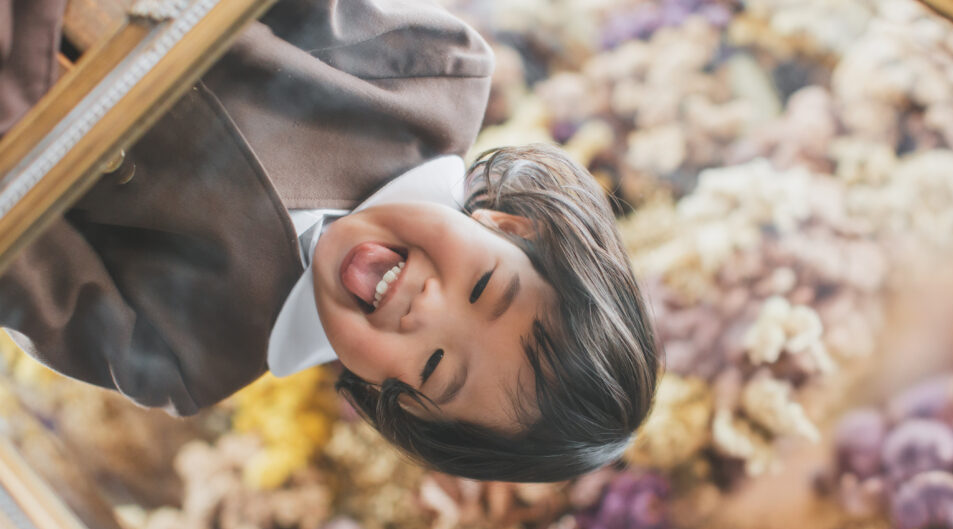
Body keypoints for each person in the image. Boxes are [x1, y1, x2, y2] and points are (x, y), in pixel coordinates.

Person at [0, 0, 659, 482]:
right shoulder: (431, 76)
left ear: (394, 401)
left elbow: (15, 246)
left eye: (434, 367)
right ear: (512, 226)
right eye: (484, 286)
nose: (425, 307)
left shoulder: (188, 358)